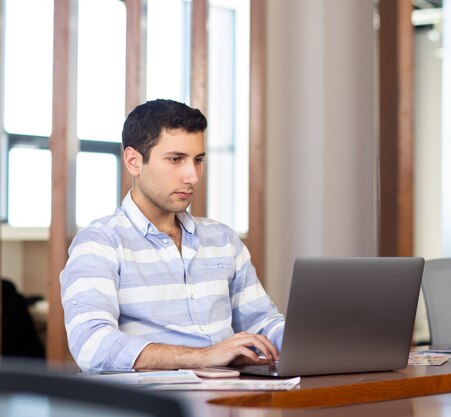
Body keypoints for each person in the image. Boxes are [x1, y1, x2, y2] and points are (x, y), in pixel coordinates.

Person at [60, 99, 284, 372]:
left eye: (198, 160)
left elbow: (263, 321)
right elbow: (92, 345)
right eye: (176, 159)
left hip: (233, 395)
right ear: (134, 161)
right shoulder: (100, 242)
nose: (192, 176)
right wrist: (204, 356)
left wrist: (309, 344)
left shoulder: (223, 239)